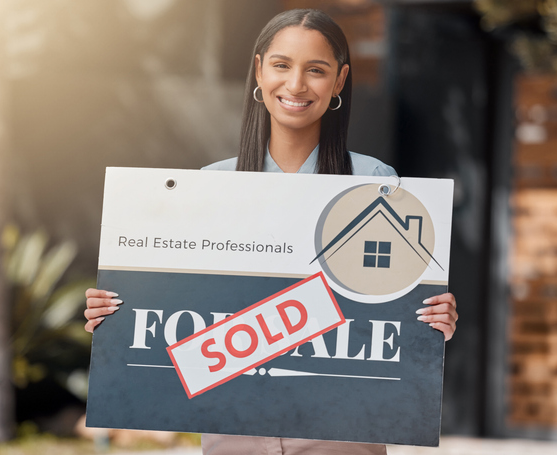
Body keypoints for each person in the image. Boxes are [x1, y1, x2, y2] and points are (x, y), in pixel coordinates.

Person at [84, 8, 458, 455]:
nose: (296, 85)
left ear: (339, 82)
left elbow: (393, 309)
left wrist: (432, 317)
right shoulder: (208, 185)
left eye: (315, 71)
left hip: (340, 427)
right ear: (259, 71)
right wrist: (116, 312)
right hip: (232, 426)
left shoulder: (374, 183)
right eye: (281, 65)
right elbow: (176, 311)